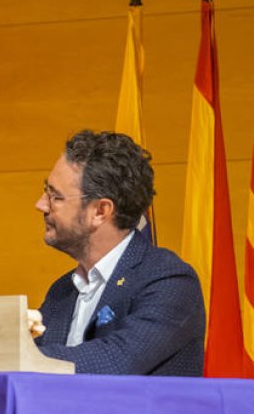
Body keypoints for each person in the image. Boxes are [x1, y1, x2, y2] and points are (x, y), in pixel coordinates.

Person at [31, 130, 204, 375]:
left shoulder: (168, 280)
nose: (41, 205)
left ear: (100, 211)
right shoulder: (61, 291)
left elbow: (116, 361)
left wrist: (16, 357)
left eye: (55, 196)